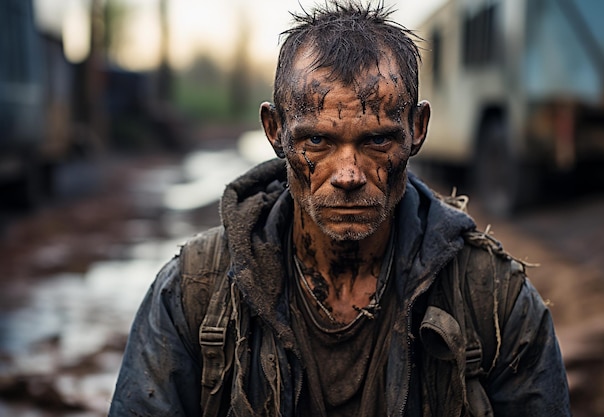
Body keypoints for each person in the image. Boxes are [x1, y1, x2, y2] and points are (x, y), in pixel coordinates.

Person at [108, 1, 571, 416]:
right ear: (275, 130)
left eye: (377, 140)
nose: (348, 174)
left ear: (417, 128)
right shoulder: (195, 289)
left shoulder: (491, 297)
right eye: (317, 140)